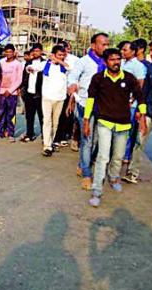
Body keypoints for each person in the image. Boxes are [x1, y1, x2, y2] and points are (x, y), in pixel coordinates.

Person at [84, 48, 147, 207]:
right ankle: (97, 191)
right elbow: (91, 99)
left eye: (118, 59)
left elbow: (140, 97)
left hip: (124, 124)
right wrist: (86, 121)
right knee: (103, 157)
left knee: (118, 156)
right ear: (105, 62)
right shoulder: (98, 78)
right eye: (112, 59)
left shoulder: (129, 78)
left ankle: (113, 177)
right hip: (104, 122)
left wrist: (143, 118)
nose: (116, 62)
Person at [67, 32, 109, 190]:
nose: (106, 47)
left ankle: (82, 163)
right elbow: (72, 76)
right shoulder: (83, 62)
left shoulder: (108, 62)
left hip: (103, 106)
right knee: (87, 140)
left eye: (107, 44)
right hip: (85, 105)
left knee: (97, 140)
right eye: (103, 44)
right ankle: (86, 174)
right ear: (93, 45)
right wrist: (72, 85)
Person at [124, 39, 152, 184]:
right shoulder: (150, 68)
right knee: (139, 140)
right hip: (150, 109)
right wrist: (141, 108)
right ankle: (132, 173)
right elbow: (144, 90)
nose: (150, 53)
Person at [27, 45, 70, 156]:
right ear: (54, 54)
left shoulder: (65, 65)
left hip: (60, 98)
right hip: (47, 97)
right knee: (47, 121)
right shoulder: (46, 64)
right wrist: (30, 69)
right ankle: (47, 145)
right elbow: (31, 67)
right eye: (59, 55)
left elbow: (69, 67)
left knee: (55, 122)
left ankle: (51, 140)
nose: (61, 57)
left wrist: (57, 60)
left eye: (63, 55)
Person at [119, 40, 147, 164]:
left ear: (133, 51)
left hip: (130, 104)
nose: (122, 52)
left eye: (125, 50)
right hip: (118, 101)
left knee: (128, 131)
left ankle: (125, 155)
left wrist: (132, 99)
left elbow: (139, 84)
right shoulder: (122, 63)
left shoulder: (138, 66)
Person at [0, 44, 23, 142]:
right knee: (0, 113)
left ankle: (10, 133)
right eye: (7, 52)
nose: (8, 54)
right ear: (4, 52)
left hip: (12, 93)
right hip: (1, 91)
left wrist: (10, 91)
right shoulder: (0, 62)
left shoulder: (18, 64)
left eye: (10, 52)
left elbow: (19, 80)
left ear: (14, 53)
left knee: (11, 113)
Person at [54, 41, 79, 148]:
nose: (64, 50)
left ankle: (63, 136)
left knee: (66, 115)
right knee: (55, 114)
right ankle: (55, 136)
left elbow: (74, 73)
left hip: (68, 90)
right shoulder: (52, 59)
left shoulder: (75, 60)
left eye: (66, 48)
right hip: (56, 90)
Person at [20, 43, 45, 142]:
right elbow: (24, 77)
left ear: (41, 52)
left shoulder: (45, 63)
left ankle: (45, 135)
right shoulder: (28, 63)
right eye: (34, 51)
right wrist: (22, 89)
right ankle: (30, 133)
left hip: (40, 93)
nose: (35, 53)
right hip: (29, 93)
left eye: (37, 51)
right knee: (29, 116)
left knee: (42, 116)